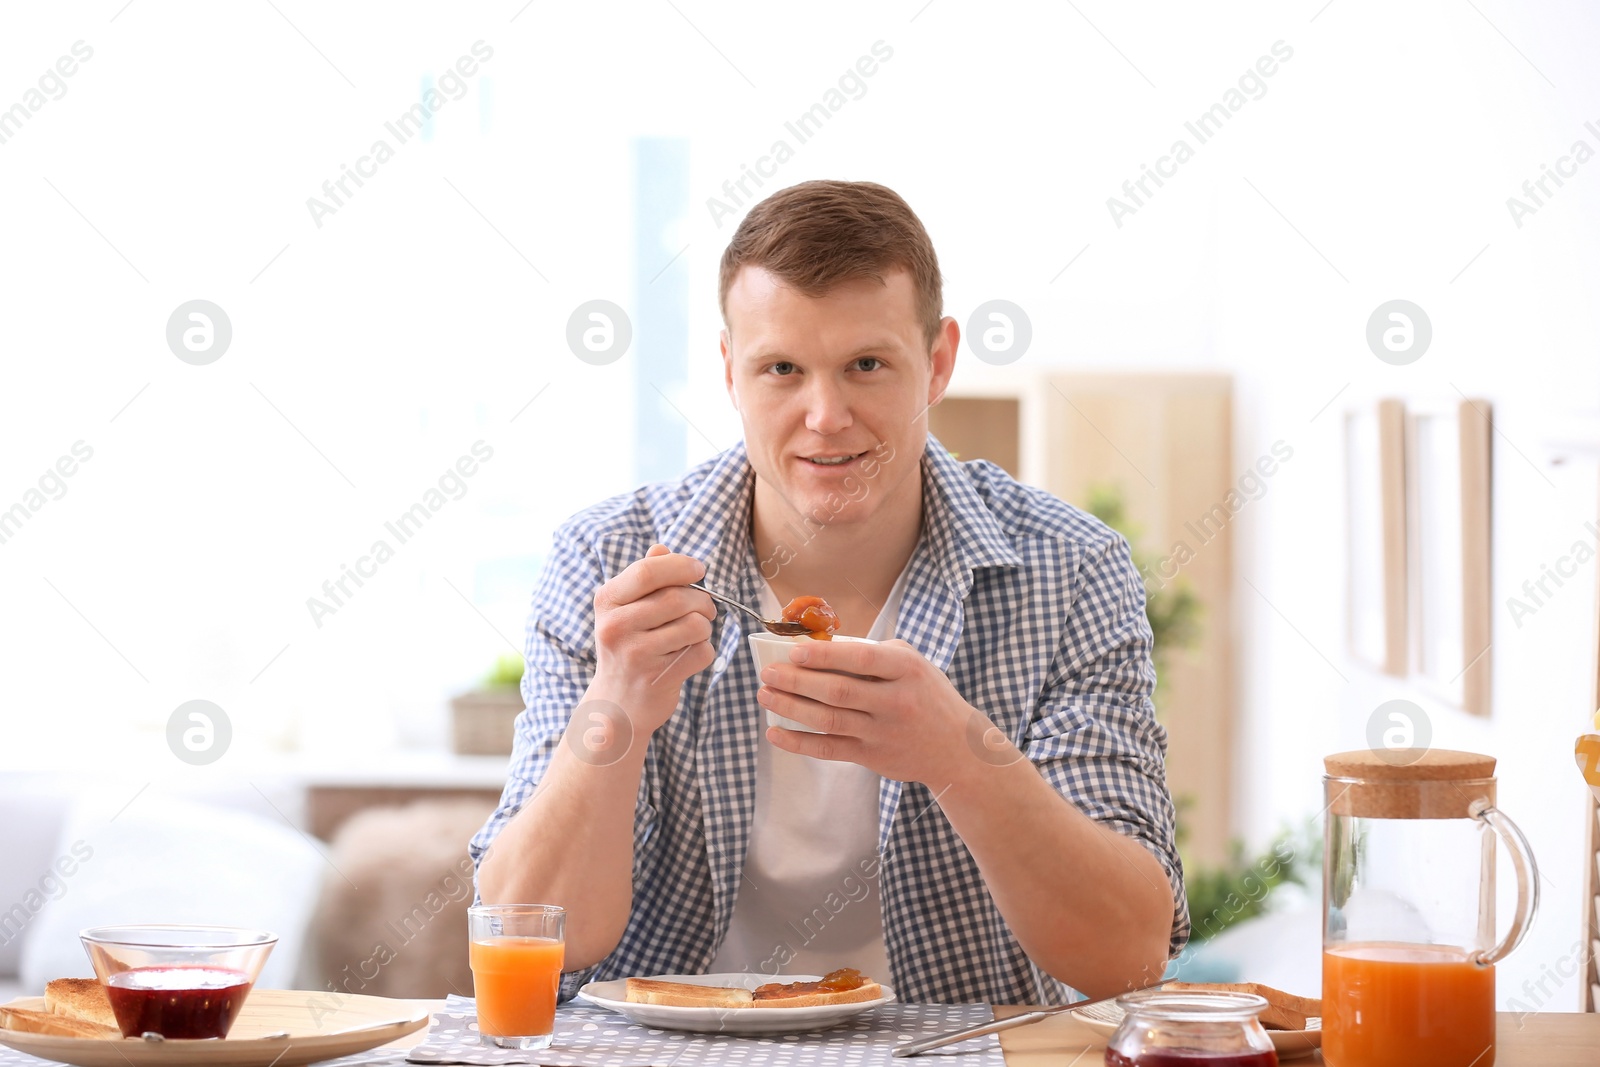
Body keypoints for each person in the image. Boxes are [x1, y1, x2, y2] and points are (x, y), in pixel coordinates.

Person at [471, 180, 1188, 1005]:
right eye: (782, 368)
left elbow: (1127, 957)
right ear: (730, 374)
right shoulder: (608, 560)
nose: (825, 415)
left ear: (939, 363)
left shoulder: (1071, 569)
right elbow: (526, 938)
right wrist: (618, 706)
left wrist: (960, 755)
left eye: (867, 365)